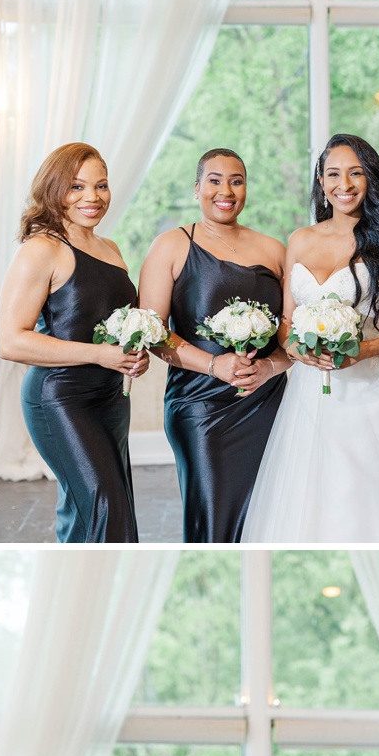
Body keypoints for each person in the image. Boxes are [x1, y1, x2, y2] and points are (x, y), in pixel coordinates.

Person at [242, 136, 379, 542]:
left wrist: (362, 351)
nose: (345, 184)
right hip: (310, 390)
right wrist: (300, 348)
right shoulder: (300, 239)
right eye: (334, 174)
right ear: (321, 182)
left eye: (356, 173)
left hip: (377, 388)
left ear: (371, 179)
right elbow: (287, 321)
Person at [0, 144, 145, 542]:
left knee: (100, 510)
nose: (92, 197)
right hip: (59, 399)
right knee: (103, 504)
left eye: (101, 186)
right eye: (76, 187)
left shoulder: (111, 250)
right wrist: (100, 354)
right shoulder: (42, 249)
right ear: (54, 189)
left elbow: (111, 324)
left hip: (111, 398)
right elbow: (11, 341)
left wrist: (132, 355)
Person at [139, 148, 288, 543]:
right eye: (215, 180)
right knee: (213, 513)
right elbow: (152, 332)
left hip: (267, 403)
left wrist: (270, 367)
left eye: (236, 181)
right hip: (199, 405)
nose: (226, 190)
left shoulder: (274, 250)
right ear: (197, 188)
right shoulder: (171, 246)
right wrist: (212, 365)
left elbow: (291, 334)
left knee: (266, 514)